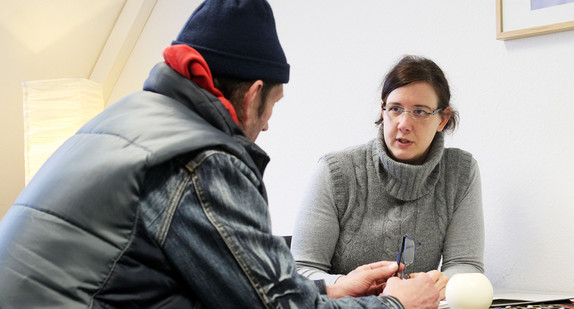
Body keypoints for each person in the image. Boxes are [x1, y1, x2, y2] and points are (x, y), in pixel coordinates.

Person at [0, 1, 441, 308]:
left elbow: (244, 287)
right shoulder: (201, 159)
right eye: (273, 105)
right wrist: (394, 304)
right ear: (252, 97)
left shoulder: (129, 115)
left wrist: (333, 291)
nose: (267, 124)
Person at [291, 55, 485, 301]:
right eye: (395, 109)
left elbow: (467, 265)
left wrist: (449, 282)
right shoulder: (335, 171)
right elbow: (299, 272)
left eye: (419, 112)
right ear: (383, 111)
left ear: (442, 119)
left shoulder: (460, 171)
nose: (403, 123)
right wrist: (344, 284)